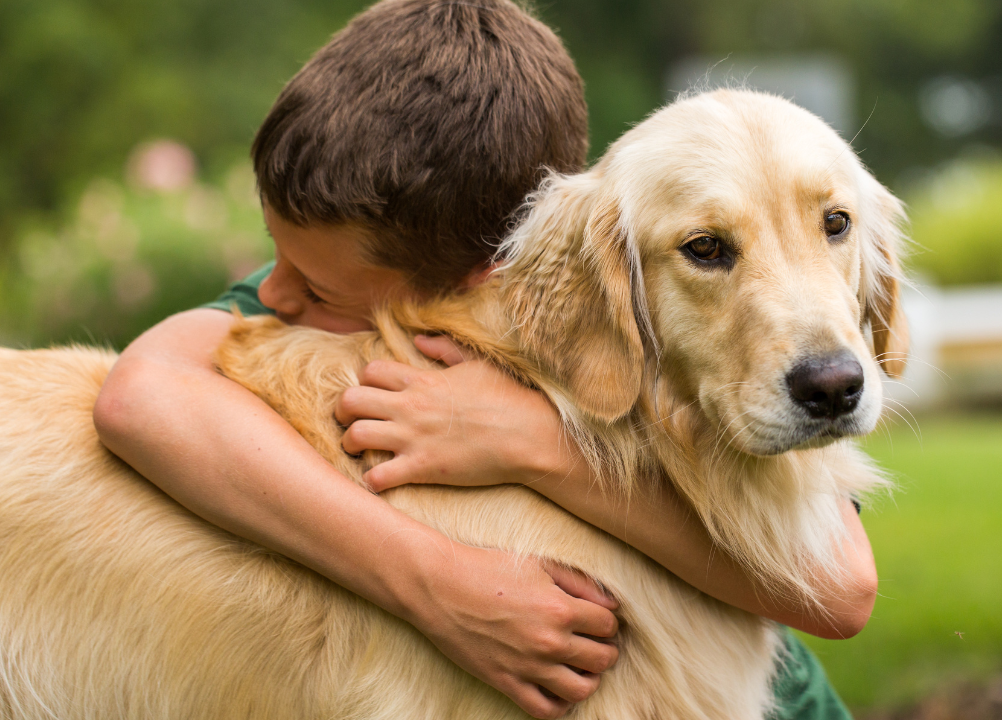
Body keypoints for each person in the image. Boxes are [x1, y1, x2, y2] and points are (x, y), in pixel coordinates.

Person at [92, 1, 875, 718]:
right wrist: (435, 581)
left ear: (479, 280)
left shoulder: (587, 283)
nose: (278, 295)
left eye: (318, 284)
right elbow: (139, 396)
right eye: (276, 260)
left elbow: (841, 592)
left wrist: (534, 446)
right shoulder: (331, 275)